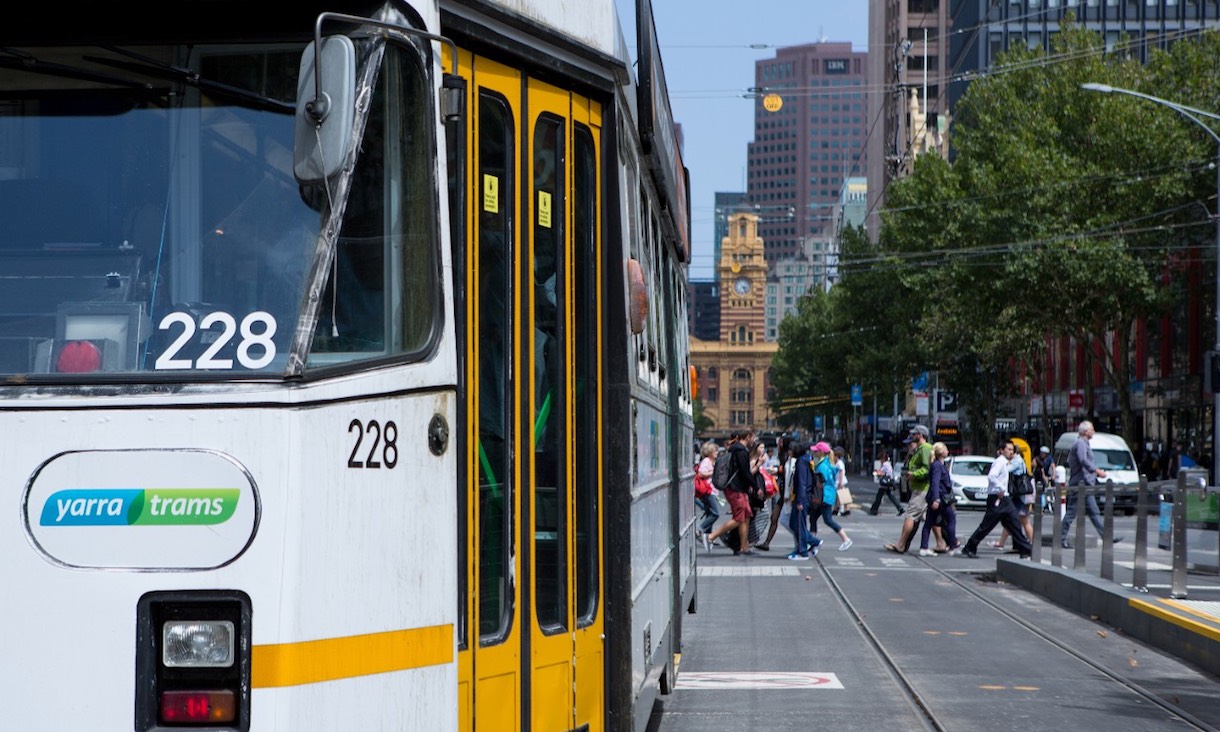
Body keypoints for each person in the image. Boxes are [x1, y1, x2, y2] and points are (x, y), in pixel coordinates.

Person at [960, 440, 1033, 559]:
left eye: (1012, 450)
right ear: (1002, 450)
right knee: (987, 525)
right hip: (997, 498)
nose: (1011, 452)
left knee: (1014, 524)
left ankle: (1025, 549)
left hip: (1004, 499)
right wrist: (1000, 489)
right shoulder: (999, 462)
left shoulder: (1005, 463)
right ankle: (969, 547)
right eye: (1008, 449)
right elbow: (991, 476)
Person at [1060, 420, 1123, 549]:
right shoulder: (1080, 444)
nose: (1093, 432)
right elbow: (1083, 460)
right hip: (1080, 485)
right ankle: (1060, 539)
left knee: (1094, 513)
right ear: (1085, 431)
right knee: (1071, 512)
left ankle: (1107, 538)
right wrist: (1097, 470)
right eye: (1092, 429)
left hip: (1086, 485)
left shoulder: (1084, 443)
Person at [707, 430, 756, 555]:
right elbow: (745, 472)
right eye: (753, 437)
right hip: (736, 489)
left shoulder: (736, 450)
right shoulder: (740, 451)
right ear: (748, 437)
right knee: (739, 519)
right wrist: (756, 486)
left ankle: (744, 547)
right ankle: (711, 536)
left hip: (738, 488)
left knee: (746, 516)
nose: (754, 440)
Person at [885, 425, 933, 553]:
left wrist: (914, 474)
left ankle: (901, 544)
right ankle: (945, 542)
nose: (912, 436)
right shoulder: (920, 449)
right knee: (928, 518)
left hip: (921, 488)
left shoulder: (925, 449)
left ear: (921, 435)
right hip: (918, 487)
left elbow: (927, 469)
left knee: (910, 515)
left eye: (914, 434)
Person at [919, 441, 960, 556]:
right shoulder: (937, 466)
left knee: (929, 522)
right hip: (941, 499)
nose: (948, 451)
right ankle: (952, 547)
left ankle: (924, 547)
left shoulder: (938, 465)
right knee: (951, 520)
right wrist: (936, 499)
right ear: (942, 452)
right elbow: (935, 483)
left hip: (938, 498)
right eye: (946, 449)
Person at [811, 442, 853, 551]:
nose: (814, 452)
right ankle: (812, 542)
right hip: (825, 496)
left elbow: (822, 481)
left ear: (821, 452)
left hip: (824, 496)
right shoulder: (826, 463)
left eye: (816, 450)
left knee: (828, 520)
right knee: (813, 517)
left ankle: (846, 539)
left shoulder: (823, 466)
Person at [786, 440, 822, 560]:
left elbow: (802, 483)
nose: (789, 452)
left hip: (802, 498)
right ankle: (812, 542)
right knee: (793, 523)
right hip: (801, 497)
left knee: (800, 525)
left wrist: (800, 501)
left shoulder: (801, 462)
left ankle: (803, 552)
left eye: (791, 449)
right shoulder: (805, 460)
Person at [993, 445, 1034, 551]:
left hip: (1020, 496)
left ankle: (1032, 543)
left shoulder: (1017, 461)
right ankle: (1008, 543)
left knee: (1022, 521)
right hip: (1018, 495)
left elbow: (1006, 470)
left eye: (1011, 451)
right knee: (1013, 520)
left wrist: (1001, 459)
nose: (1009, 453)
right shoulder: (1017, 460)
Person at [756, 436, 792, 552]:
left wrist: (777, 470)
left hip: (787, 492)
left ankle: (806, 540)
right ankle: (767, 543)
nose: (778, 444)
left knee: (790, 520)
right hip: (781, 490)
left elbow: (788, 470)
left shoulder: (789, 455)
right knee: (774, 517)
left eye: (780, 442)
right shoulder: (781, 454)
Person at [694, 441, 720, 550]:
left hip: (712, 490)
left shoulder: (711, 461)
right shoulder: (706, 461)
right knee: (715, 513)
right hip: (708, 491)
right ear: (709, 452)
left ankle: (709, 537)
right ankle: (700, 530)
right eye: (715, 451)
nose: (717, 453)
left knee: (710, 512)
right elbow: (701, 473)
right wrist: (713, 472)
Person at [830, 446, 852, 516]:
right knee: (840, 495)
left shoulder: (839, 463)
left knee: (841, 495)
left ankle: (842, 509)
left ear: (837, 456)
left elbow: (841, 473)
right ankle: (838, 509)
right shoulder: (837, 463)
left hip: (840, 481)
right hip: (838, 481)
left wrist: (840, 482)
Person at [1033, 445, 1055, 513]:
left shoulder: (1049, 458)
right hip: (1038, 476)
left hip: (1046, 475)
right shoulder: (1037, 459)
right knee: (1039, 491)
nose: (1042, 454)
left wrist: (1054, 475)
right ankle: (1040, 506)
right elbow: (1038, 468)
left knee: (1049, 490)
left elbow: (1053, 466)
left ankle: (1049, 504)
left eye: (1044, 453)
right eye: (1041, 452)